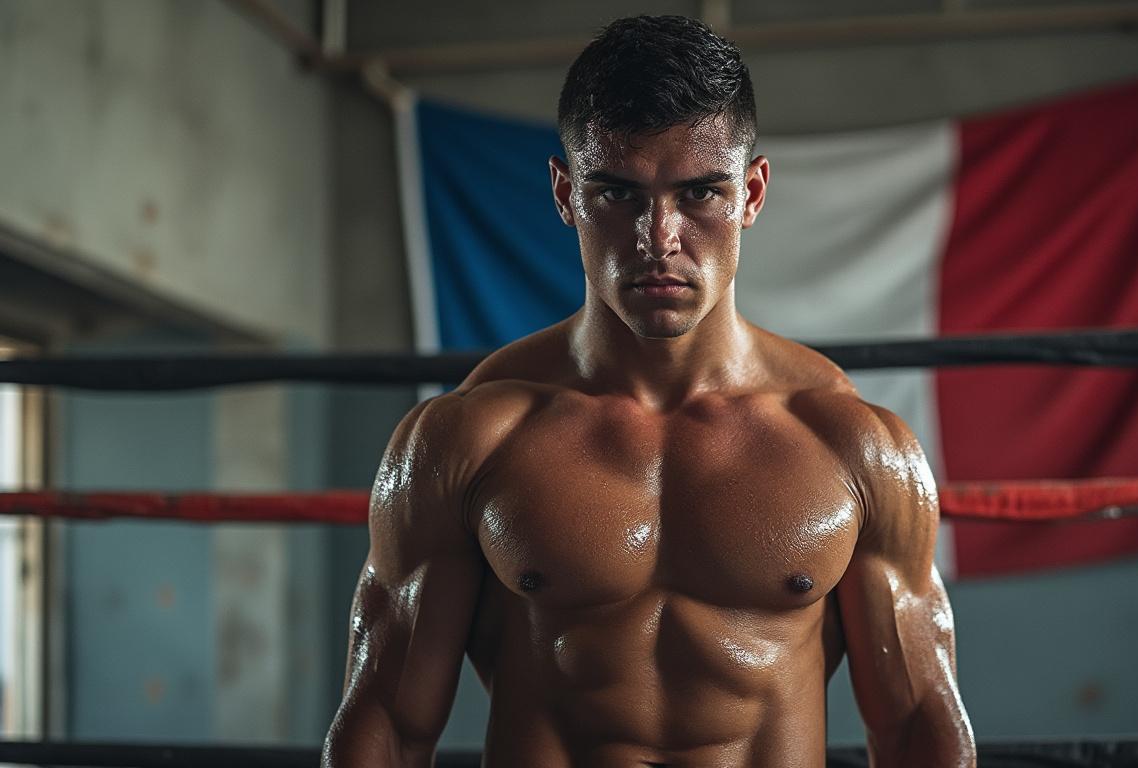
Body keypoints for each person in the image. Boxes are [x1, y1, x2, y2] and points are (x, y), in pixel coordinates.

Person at [323, 15, 974, 768]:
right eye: (617, 194)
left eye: (700, 194)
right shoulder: (466, 440)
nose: (658, 236)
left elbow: (920, 724)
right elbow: (387, 725)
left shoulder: (853, 445)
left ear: (752, 193)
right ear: (566, 194)